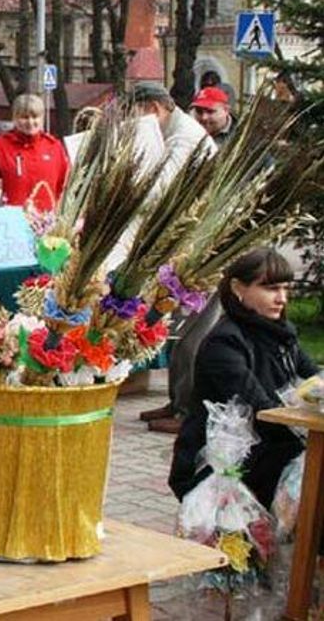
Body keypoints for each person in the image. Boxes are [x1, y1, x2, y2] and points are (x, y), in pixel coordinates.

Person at [168, 247, 317, 509]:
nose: (282, 298)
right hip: (223, 462)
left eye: (285, 288)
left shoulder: (281, 334)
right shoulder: (224, 342)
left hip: (269, 449)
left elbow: (314, 378)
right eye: (271, 288)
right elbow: (262, 410)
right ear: (238, 288)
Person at [131, 82, 216, 432]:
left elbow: (159, 191)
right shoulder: (174, 131)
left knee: (195, 329)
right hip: (187, 240)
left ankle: (187, 412)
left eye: (135, 114)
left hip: (203, 244)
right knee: (180, 324)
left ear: (153, 107)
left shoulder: (184, 137)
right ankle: (177, 401)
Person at [0, 93, 69, 212]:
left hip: (47, 221)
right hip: (11, 221)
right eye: (24, 117)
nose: (30, 122)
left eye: (35, 117)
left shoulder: (54, 147)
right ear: (14, 118)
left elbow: (65, 186)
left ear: (42, 118)